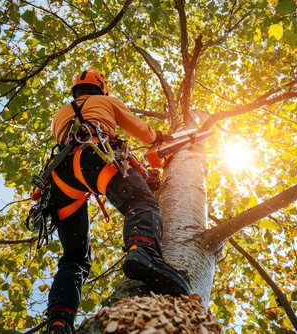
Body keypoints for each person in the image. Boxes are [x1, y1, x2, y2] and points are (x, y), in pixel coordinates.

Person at [44, 69, 191, 334]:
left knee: (74, 259)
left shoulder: (60, 114)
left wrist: (143, 177)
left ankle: (58, 320)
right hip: (94, 155)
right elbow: (140, 130)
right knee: (141, 203)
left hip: (60, 177)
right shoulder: (107, 102)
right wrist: (160, 138)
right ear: (102, 88)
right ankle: (143, 252)